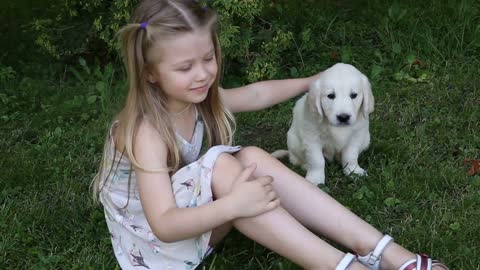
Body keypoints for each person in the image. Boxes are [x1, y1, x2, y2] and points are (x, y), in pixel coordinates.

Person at [91, 0, 449, 269]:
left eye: (208, 58)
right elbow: (165, 224)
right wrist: (233, 205)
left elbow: (259, 95)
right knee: (226, 167)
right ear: (150, 73)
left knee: (249, 158)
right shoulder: (145, 131)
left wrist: (315, 81)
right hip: (155, 250)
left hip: (192, 227)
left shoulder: (196, 101)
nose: (202, 74)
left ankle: (387, 252)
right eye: (185, 67)